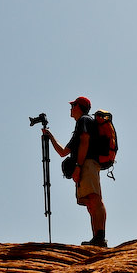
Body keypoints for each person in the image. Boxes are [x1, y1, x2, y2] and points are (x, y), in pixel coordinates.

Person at [42, 96, 108, 247]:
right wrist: (50, 136)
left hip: (88, 163)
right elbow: (63, 152)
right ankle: (96, 238)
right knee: (91, 202)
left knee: (94, 198)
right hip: (86, 164)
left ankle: (100, 237)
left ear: (79, 107)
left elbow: (85, 141)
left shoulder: (84, 120)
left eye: (73, 105)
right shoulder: (80, 124)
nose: (71, 108)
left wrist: (78, 166)